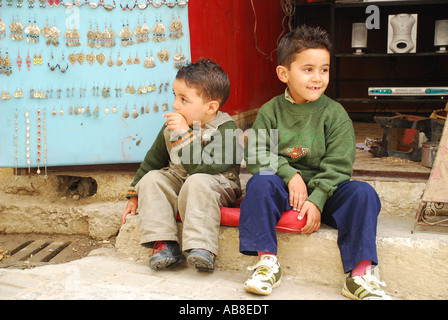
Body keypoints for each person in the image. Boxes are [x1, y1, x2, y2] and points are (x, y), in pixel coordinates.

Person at [238, 25, 391, 300]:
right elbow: (257, 154)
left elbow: (340, 164)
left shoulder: (335, 114)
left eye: (324, 69)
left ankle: (359, 275)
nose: (318, 78)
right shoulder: (271, 111)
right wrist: (289, 174)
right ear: (284, 74)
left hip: (327, 191)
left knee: (363, 193)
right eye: (308, 69)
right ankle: (266, 263)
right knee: (260, 182)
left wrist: (317, 198)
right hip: (285, 189)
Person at [122, 58, 241, 272]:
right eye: (175, 96)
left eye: (184, 99)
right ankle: (164, 243)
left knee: (196, 181)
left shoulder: (226, 129)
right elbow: (153, 159)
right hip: (181, 178)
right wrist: (134, 194)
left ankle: (202, 247)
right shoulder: (173, 126)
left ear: (211, 107)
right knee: (152, 180)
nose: (176, 105)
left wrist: (185, 135)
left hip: (216, 182)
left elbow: (202, 168)